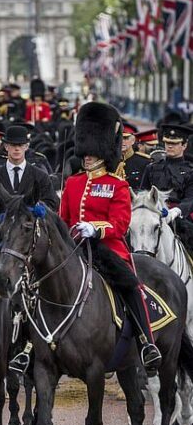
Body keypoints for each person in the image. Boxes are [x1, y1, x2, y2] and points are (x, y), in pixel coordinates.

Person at [60, 102, 162, 375]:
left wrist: (95, 228)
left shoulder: (118, 185)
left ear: (104, 153)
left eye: (93, 153)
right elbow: (64, 219)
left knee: (130, 285)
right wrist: (72, 232)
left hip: (108, 248)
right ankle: (26, 347)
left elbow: (120, 224)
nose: (88, 157)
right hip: (76, 248)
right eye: (86, 153)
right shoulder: (72, 183)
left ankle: (146, 342)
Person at [0, 125, 59, 243]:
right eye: (13, 145)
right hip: (1, 239)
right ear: (6, 147)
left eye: (20, 145)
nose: (17, 149)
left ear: (26, 147)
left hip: (30, 240)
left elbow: (52, 204)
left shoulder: (40, 176)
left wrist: (37, 208)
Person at [141, 124, 193, 221]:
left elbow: (190, 199)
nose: (169, 146)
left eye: (174, 143)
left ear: (184, 145)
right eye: (167, 142)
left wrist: (176, 211)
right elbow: (143, 193)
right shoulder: (151, 168)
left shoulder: (190, 171)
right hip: (153, 214)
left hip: (179, 216)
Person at [118, 120, 150, 190]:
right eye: (119, 138)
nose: (122, 141)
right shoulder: (110, 161)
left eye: (126, 138)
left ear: (133, 140)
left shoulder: (144, 162)